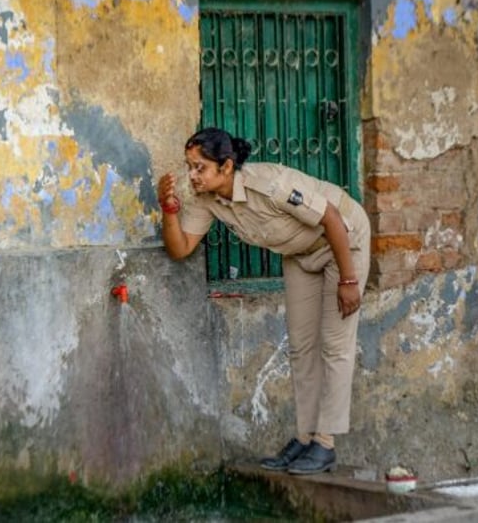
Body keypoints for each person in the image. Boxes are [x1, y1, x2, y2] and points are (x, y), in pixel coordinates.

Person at [157, 127, 370, 475]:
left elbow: (332, 218)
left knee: (335, 345)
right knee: (301, 346)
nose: (192, 176)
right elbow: (180, 248)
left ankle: (325, 444)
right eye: (189, 167)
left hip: (344, 242)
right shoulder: (208, 201)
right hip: (300, 253)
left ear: (226, 167)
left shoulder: (270, 184)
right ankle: (305, 438)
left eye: (200, 168)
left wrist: (348, 280)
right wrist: (168, 210)